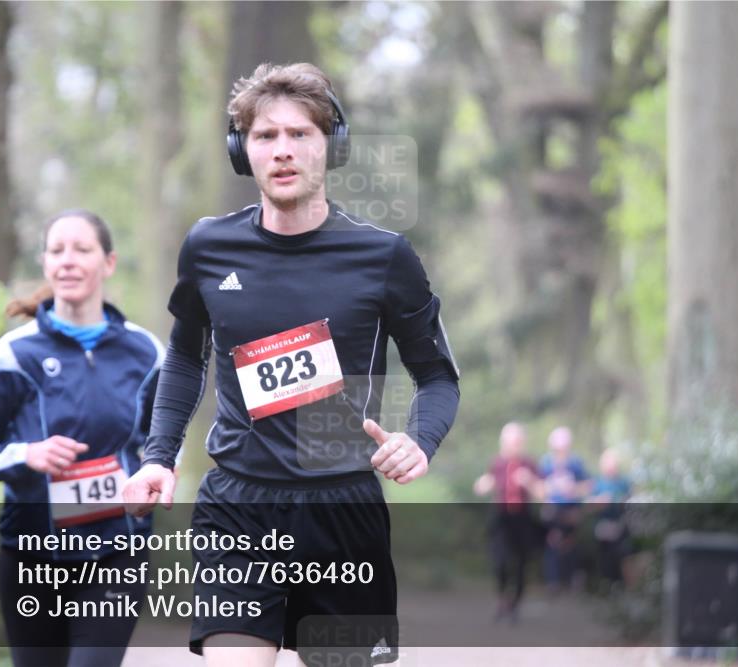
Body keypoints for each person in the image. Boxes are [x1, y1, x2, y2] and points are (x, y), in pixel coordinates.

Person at [123, 62, 460, 666]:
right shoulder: (208, 246)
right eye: (264, 136)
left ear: (331, 146)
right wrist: (158, 455)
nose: (282, 151)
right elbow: (183, 354)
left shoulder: (383, 257)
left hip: (343, 511)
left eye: (300, 134)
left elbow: (436, 375)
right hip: (237, 506)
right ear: (241, 151)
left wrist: (421, 440)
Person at [0, 210, 165, 667]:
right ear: (45, 263)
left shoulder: (146, 352)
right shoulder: (15, 354)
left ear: (108, 263)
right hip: (31, 558)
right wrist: (28, 454)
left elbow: (166, 440)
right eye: (57, 250)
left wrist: (160, 471)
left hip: (116, 553)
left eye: (82, 249)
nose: (68, 261)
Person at [473, 422, 540, 623]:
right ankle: (502, 599)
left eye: (516, 442)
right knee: (499, 562)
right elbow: (483, 484)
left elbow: (542, 493)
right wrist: (483, 484)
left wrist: (529, 481)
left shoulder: (529, 464)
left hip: (522, 518)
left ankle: (515, 605)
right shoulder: (497, 463)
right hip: (500, 518)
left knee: (520, 564)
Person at [538, 426, 591, 592]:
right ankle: (553, 581)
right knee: (553, 541)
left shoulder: (576, 463)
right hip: (553, 510)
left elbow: (588, 485)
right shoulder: (546, 462)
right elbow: (538, 487)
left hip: (571, 510)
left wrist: (574, 489)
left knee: (571, 544)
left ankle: (573, 578)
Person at [587, 448, 633, 586]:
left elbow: (630, 501)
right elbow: (588, 505)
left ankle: (619, 582)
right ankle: (606, 582)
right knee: (605, 555)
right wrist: (599, 502)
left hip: (620, 524)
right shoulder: (597, 483)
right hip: (603, 525)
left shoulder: (624, 482)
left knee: (621, 553)